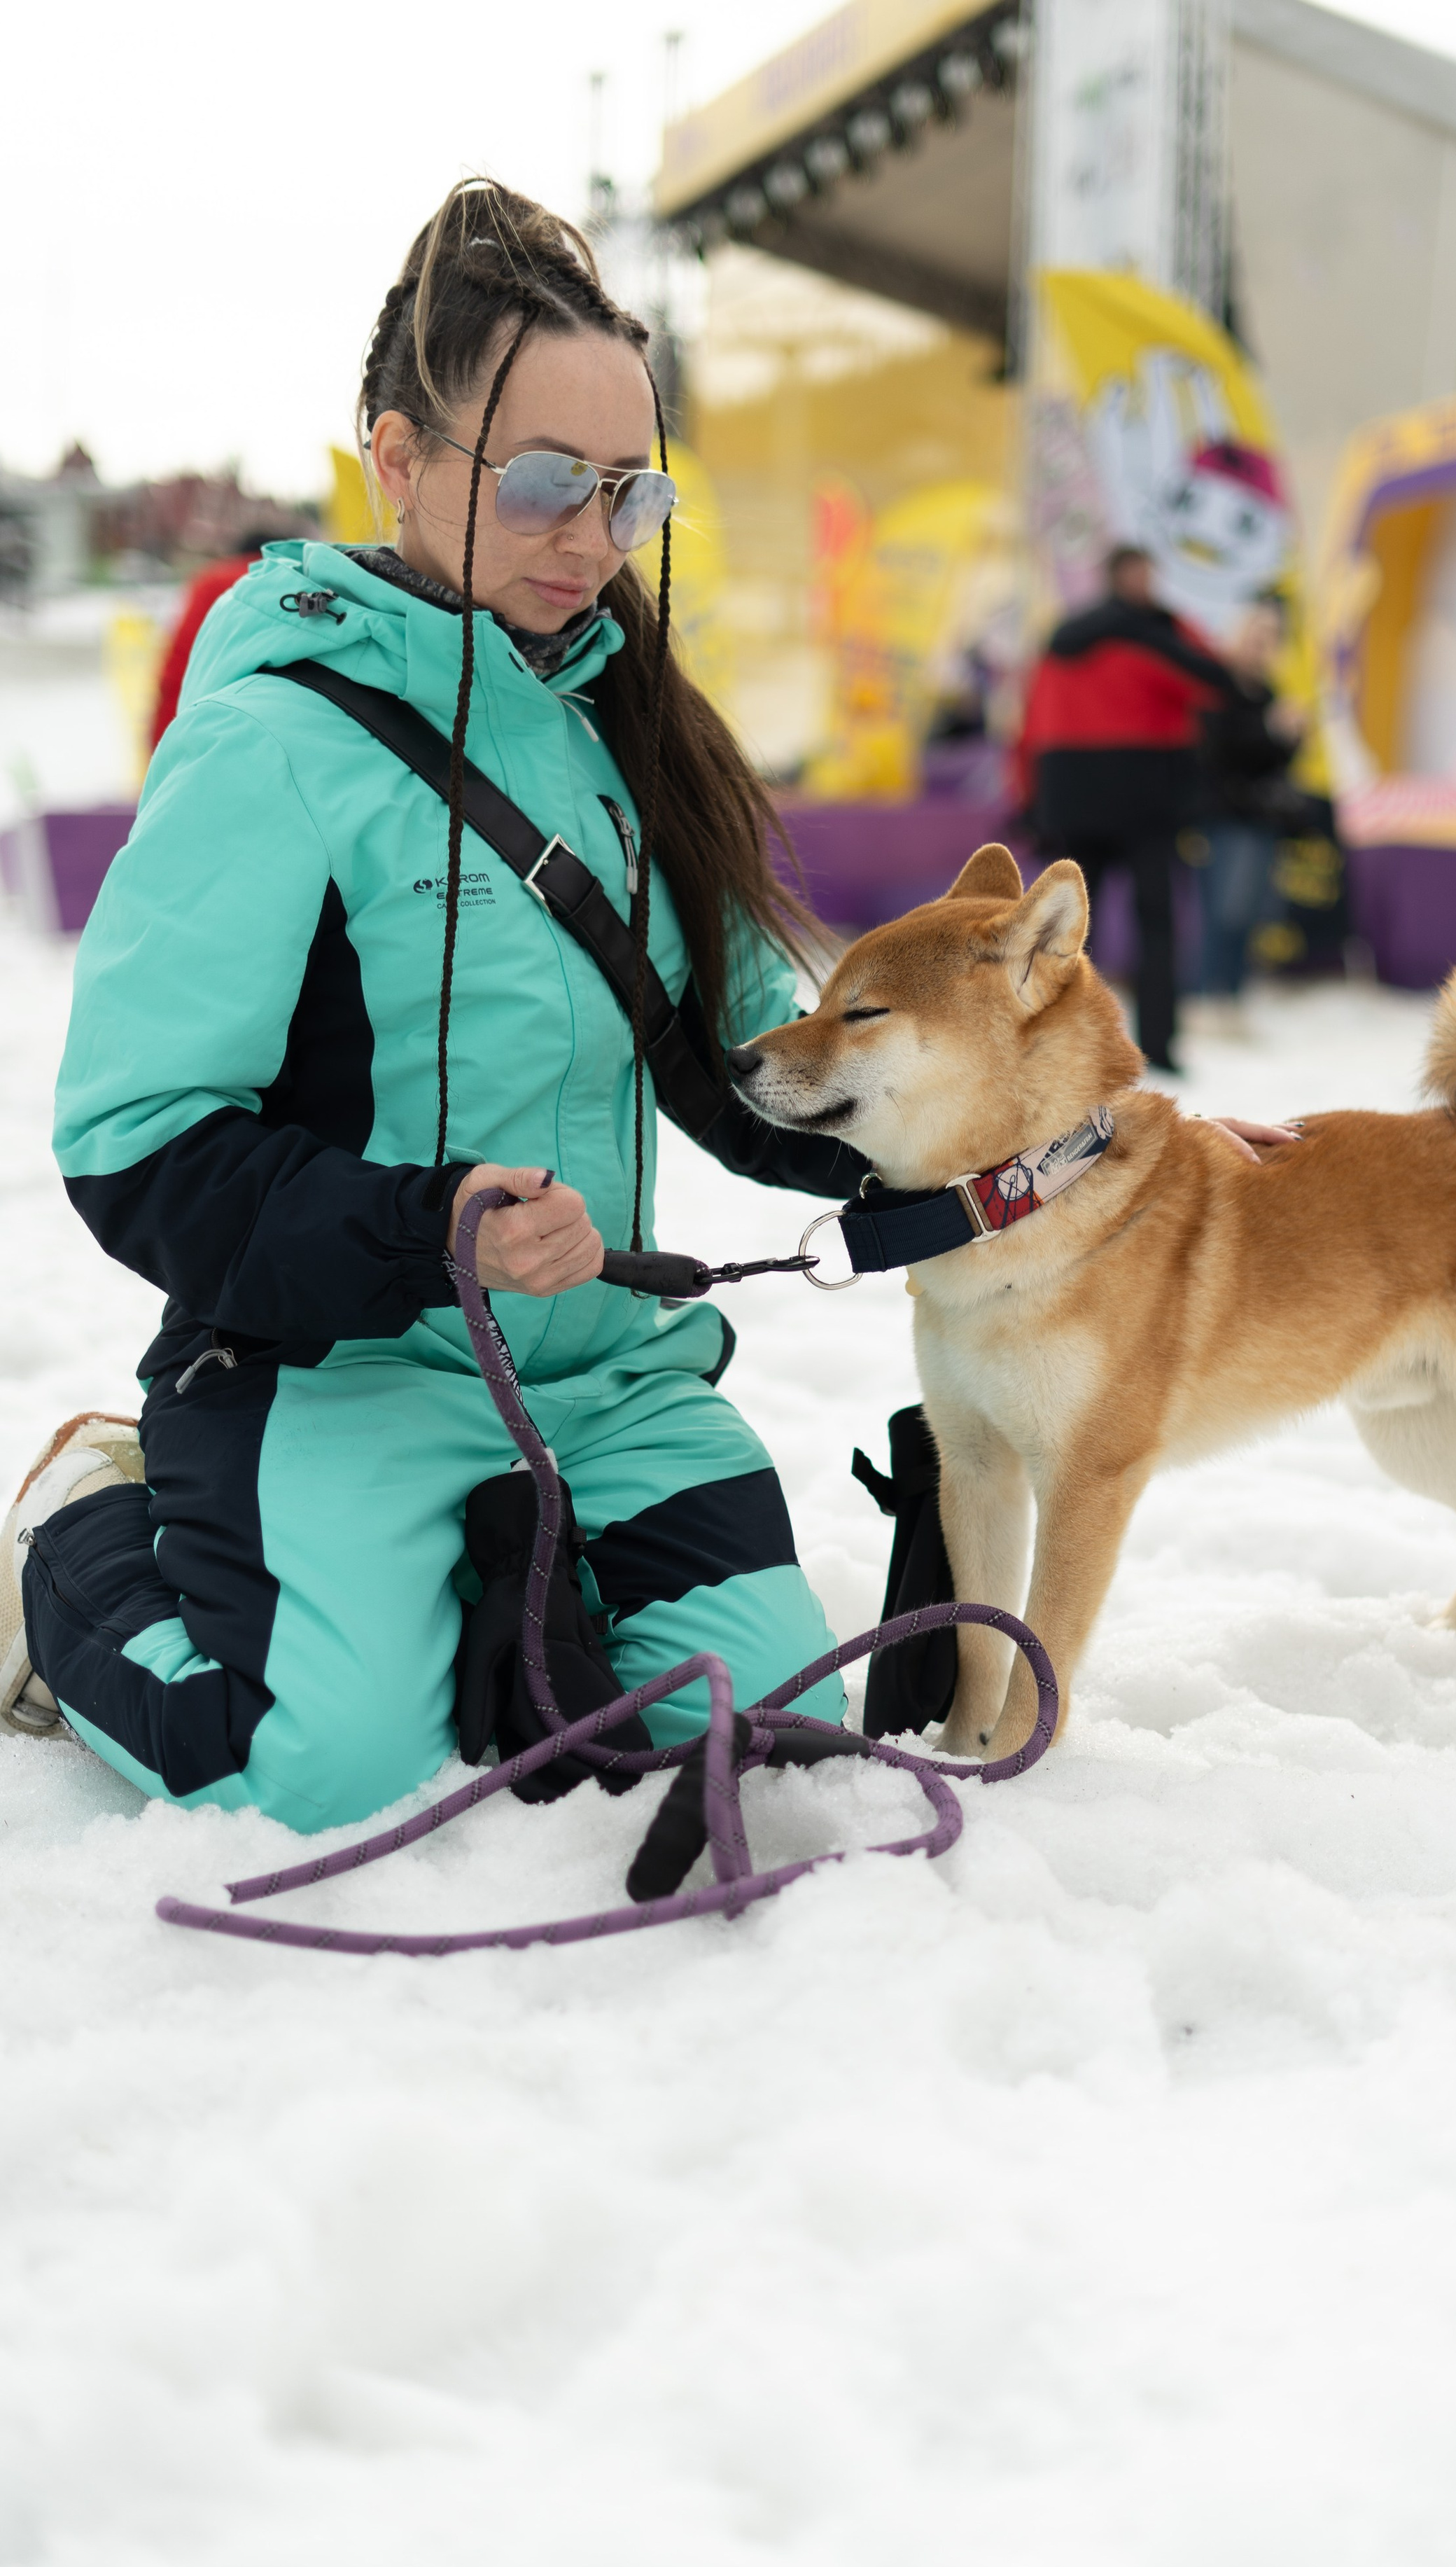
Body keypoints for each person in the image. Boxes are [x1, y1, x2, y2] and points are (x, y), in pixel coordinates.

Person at [0, 179, 869, 1829]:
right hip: (342, 1372)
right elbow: (136, 1140)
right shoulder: (275, 744)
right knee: (310, 1772)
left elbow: (759, 1065)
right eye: (544, 481)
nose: (591, 537)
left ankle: (503, 1591)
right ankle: (76, 1535)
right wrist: (430, 1222)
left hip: (604, 1372)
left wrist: (1033, 1139)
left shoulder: (635, 735)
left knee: (765, 1742)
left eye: (628, 492)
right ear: (394, 458)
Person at [1014, 546, 1236, 1073]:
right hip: (1146, 800)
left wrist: (1030, 794)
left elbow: (1032, 720)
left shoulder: (1064, 640)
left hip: (1074, 795)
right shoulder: (1162, 638)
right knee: (1154, 926)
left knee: (1061, 932)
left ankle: (1047, 1046)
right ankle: (1159, 1045)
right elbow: (1218, 685)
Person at [1199, 592, 1307, 1035]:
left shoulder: (1268, 692)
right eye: (1256, 633)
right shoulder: (1217, 687)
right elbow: (1216, 752)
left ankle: (1233, 998)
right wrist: (1270, 730)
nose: (1262, 643)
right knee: (1225, 911)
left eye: (1271, 635)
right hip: (1226, 815)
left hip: (1262, 816)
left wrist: (1292, 737)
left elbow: (1275, 761)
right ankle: (1209, 997)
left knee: (1250, 913)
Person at [146, 535, 268, 755]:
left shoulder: (213, 582)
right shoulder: (305, 588)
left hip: (201, 732)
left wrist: (159, 745)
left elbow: (179, 667)